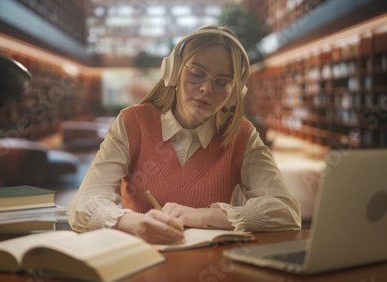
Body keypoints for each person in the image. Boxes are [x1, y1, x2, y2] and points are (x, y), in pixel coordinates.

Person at [68, 25, 301, 244]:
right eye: (197, 73)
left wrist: (200, 216)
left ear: (233, 93)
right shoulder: (132, 122)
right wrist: (133, 223)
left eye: (222, 82)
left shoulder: (242, 134)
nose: (206, 89)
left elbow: (286, 212)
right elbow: (83, 204)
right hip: (141, 261)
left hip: (209, 265)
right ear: (173, 72)